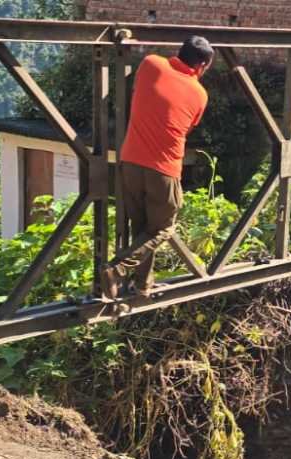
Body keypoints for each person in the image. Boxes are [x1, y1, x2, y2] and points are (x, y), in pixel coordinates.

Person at [98, 36, 212, 299]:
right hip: (164, 169)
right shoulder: (199, 94)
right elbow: (187, 127)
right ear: (202, 66)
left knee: (143, 230)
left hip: (130, 162)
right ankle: (117, 270)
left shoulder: (150, 64)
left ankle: (142, 285)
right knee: (163, 228)